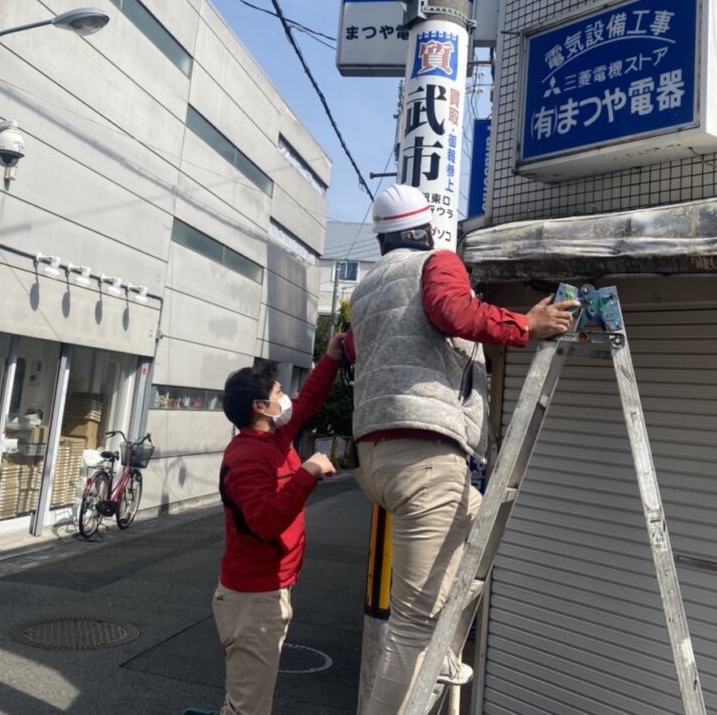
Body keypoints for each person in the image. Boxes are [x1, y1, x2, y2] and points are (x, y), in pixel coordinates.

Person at [348, 183, 579, 715]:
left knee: (478, 524)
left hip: (379, 460)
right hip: (426, 457)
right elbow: (451, 312)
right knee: (410, 625)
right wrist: (527, 324)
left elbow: (366, 353)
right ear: (426, 229)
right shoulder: (438, 261)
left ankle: (445, 654)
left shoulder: (365, 291)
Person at [184, 331, 344, 715]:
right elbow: (265, 523)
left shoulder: (274, 437)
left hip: (269, 590)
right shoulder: (247, 458)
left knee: (245, 702)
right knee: (249, 709)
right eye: (277, 392)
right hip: (252, 599)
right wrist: (308, 471)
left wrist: (332, 358)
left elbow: (306, 404)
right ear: (260, 406)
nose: (284, 397)